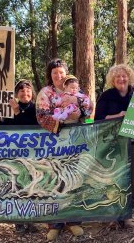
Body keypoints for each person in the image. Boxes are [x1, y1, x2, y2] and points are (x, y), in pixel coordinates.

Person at [35, 58, 84, 240]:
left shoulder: (75, 89)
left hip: (74, 141)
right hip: (53, 141)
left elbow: (86, 108)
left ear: (66, 73)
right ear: (50, 75)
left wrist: (80, 112)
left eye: (61, 72)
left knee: (73, 178)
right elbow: (41, 115)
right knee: (54, 179)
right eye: (55, 73)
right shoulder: (46, 92)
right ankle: (54, 223)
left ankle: (73, 221)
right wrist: (61, 119)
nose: (58, 75)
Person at [94, 64, 134, 228]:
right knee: (113, 179)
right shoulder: (107, 96)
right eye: (117, 77)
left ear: (129, 77)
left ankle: (130, 215)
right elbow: (97, 119)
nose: (121, 79)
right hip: (113, 145)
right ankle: (112, 216)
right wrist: (118, 115)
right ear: (112, 80)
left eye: (124, 76)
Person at [0, 79, 38, 234]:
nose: (25, 93)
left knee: (32, 188)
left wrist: (17, 112)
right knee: (16, 187)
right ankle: (19, 222)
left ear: (32, 93)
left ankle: (31, 221)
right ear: (16, 94)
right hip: (14, 157)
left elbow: (33, 126)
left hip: (33, 156)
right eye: (21, 90)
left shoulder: (38, 109)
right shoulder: (6, 109)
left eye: (28, 90)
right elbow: (3, 129)